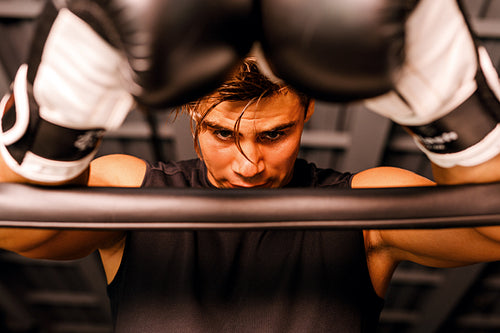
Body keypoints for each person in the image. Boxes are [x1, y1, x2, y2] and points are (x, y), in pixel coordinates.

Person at [0, 0, 499, 332]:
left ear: (307, 112)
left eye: (275, 134)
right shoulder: (137, 190)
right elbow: (22, 231)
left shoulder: (362, 210)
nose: (248, 164)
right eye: (223, 133)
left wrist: (442, 95)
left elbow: (492, 234)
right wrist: (69, 96)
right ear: (194, 112)